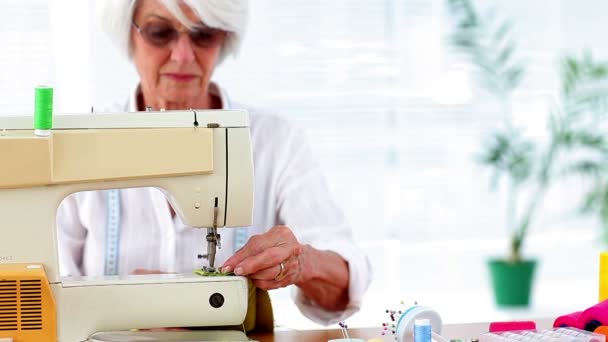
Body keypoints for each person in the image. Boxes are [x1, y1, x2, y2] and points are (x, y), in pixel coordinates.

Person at [56, 0, 372, 326]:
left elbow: (344, 286)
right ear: (128, 34)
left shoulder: (275, 142)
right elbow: (49, 292)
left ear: (224, 39)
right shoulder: (82, 142)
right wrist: (136, 303)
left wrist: (302, 262)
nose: (182, 55)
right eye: (160, 32)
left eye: (204, 35)